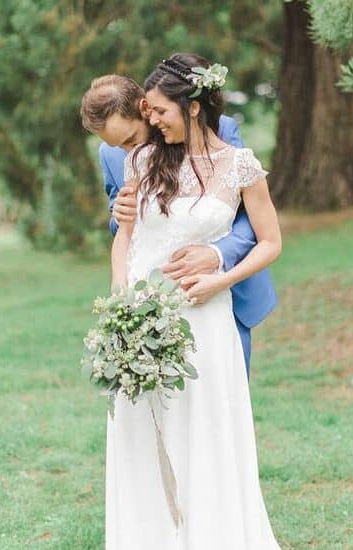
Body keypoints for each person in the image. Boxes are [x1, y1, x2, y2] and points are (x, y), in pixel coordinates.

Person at [106, 53, 282, 549]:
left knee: (205, 436)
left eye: (160, 111)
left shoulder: (239, 166)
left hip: (203, 320)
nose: (151, 121)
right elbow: (125, 238)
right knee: (142, 434)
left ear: (195, 106)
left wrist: (220, 278)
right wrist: (120, 299)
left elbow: (271, 243)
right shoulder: (140, 160)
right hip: (138, 323)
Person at [81, 74, 277, 377]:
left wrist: (218, 255)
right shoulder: (114, 154)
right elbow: (123, 222)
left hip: (218, 291)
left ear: (145, 109)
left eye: (132, 139)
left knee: (222, 403)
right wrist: (118, 214)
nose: (127, 152)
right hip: (149, 300)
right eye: (118, 146)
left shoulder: (220, 130)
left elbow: (247, 213)